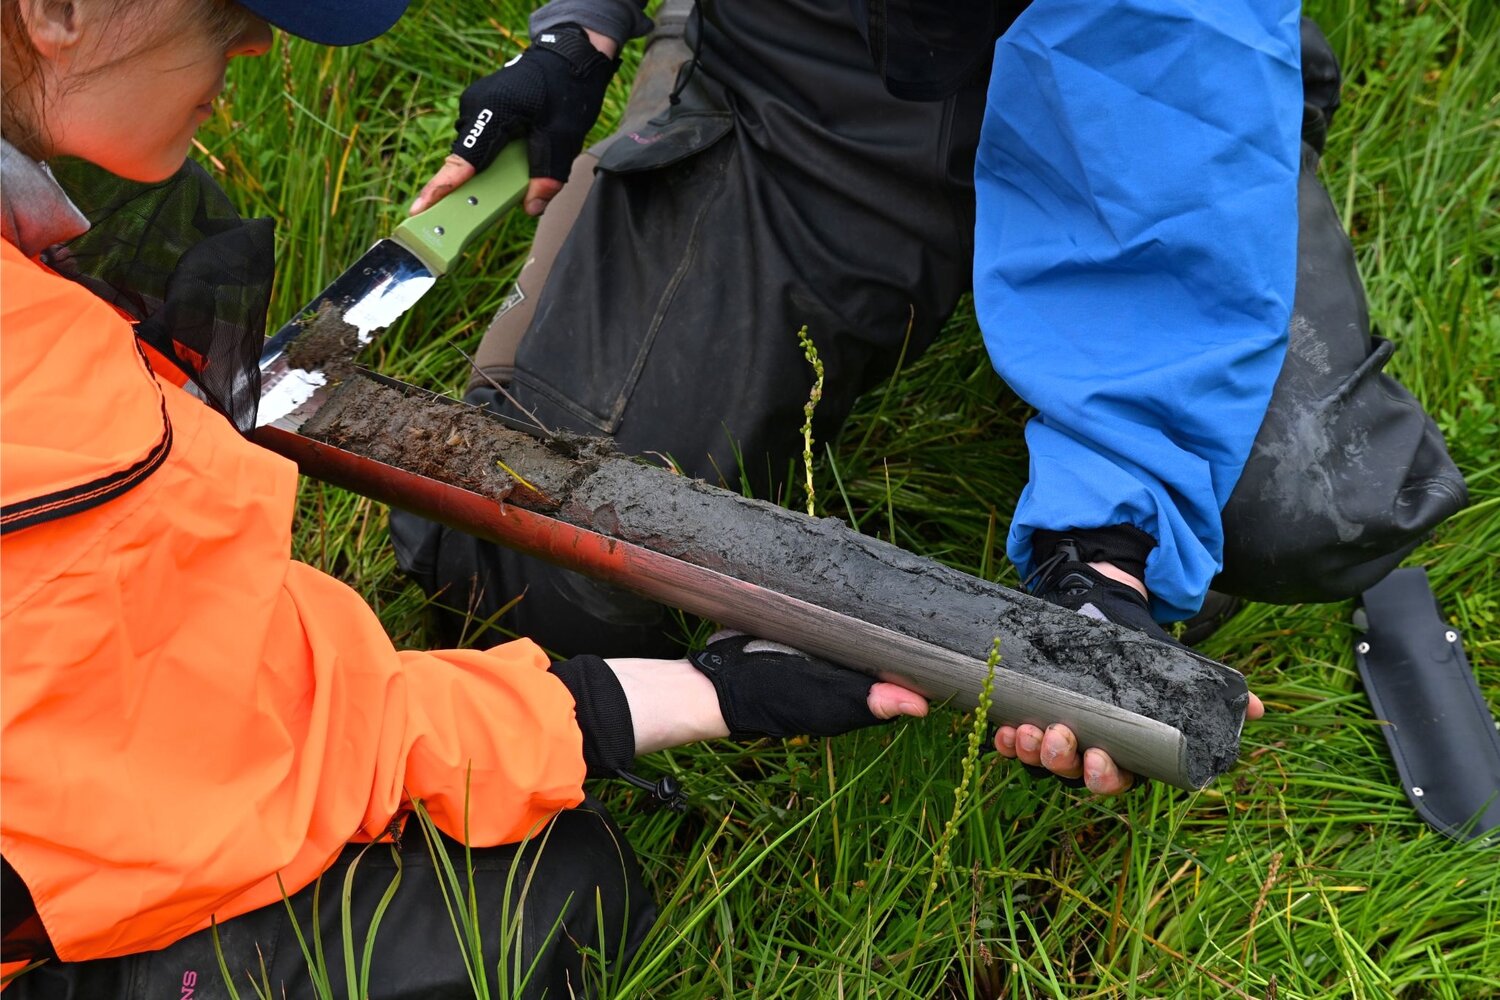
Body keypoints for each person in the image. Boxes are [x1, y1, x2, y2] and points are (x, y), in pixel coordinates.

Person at [0, 1, 933, 995]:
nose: (259, 42)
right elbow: (227, 772)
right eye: (230, 5)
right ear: (58, 12)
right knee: (553, 899)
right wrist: (689, 698)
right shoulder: (51, 417)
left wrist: (582, 29)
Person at [393, 0, 1465, 791]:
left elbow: (1161, 66)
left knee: (1286, 503)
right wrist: (583, 25)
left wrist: (1106, 545)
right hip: (804, 78)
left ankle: (1243, 140)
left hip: (1140, 70)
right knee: (527, 553)